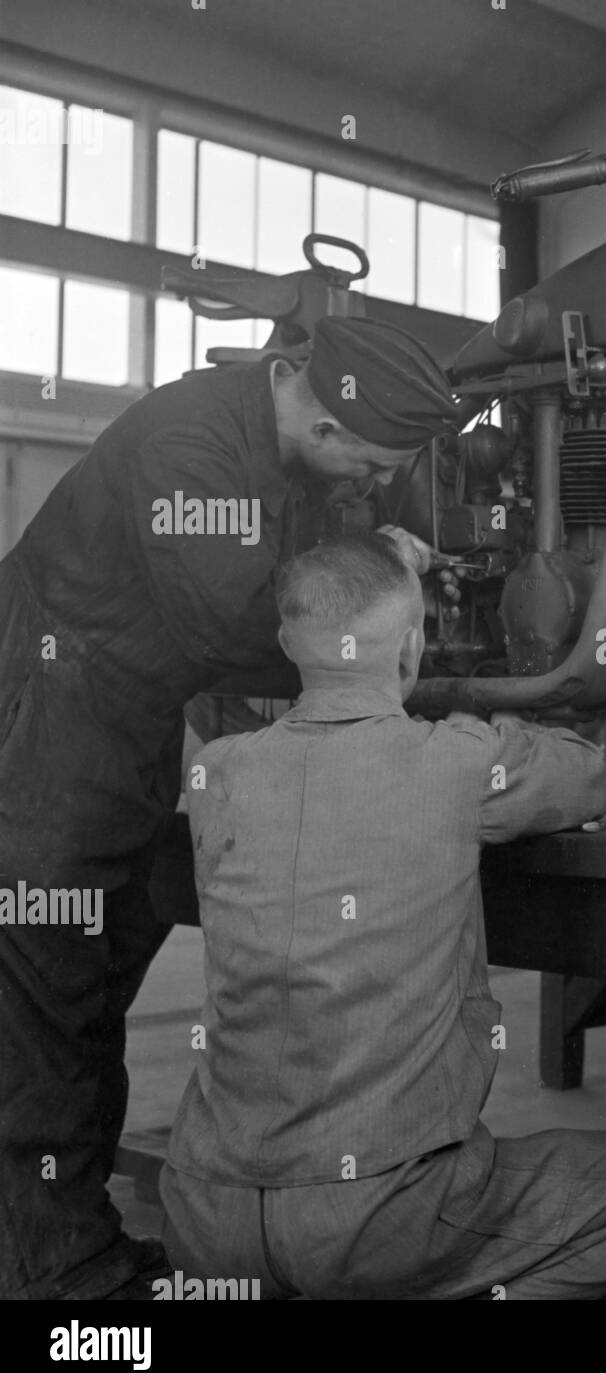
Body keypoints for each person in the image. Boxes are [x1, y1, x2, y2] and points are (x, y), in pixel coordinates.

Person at [0, 317, 458, 1299]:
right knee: (45, 1002)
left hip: (118, 727)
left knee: (88, 990)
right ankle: (63, 1277)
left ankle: (50, 1240)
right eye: (357, 454)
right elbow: (231, 615)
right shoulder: (190, 439)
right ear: (292, 378)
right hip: (46, 720)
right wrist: (379, 608)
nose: (362, 480)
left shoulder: (292, 466)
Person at [159, 532, 606, 1299]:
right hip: (377, 1216)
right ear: (416, 643)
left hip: (202, 1216)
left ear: (289, 641)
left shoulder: (219, 771)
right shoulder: (456, 763)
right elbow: (586, 778)